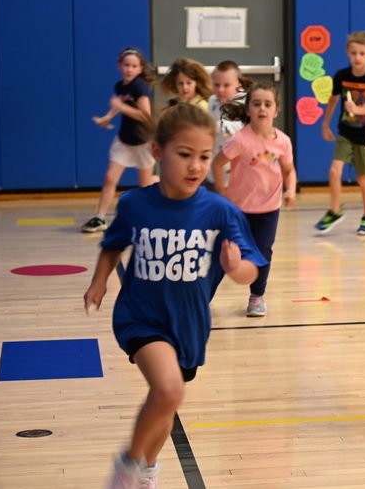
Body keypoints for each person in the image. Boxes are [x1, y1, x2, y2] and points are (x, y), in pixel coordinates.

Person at [83, 103, 266, 488]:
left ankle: (148, 469)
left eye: (203, 157)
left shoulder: (219, 211)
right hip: (141, 317)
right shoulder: (136, 204)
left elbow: (252, 265)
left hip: (188, 324)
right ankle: (129, 466)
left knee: (166, 400)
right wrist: (99, 281)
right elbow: (113, 244)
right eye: (184, 155)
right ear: (157, 152)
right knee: (168, 389)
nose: (196, 166)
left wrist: (236, 271)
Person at [211, 82, 296, 317]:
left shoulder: (283, 142)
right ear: (248, 109)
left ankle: (256, 296)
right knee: (225, 251)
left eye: (268, 104)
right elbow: (218, 163)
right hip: (239, 209)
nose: (262, 108)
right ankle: (202, 296)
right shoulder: (240, 139)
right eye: (256, 104)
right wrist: (221, 189)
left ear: (276, 110)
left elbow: (289, 170)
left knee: (262, 252)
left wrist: (291, 190)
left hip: (269, 208)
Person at [317, 31, 365, 235]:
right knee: (334, 171)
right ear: (347, 53)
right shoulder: (341, 76)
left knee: (362, 178)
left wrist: (358, 110)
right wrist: (325, 124)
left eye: (361, 53)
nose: (357, 57)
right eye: (353, 53)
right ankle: (335, 210)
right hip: (345, 133)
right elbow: (332, 100)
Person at [83, 46, 158, 233]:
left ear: (140, 69)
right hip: (124, 140)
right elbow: (119, 104)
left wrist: (121, 108)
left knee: (146, 184)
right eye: (126, 65)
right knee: (110, 177)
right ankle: (100, 218)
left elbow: (145, 115)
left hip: (143, 141)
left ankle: (158, 206)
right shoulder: (120, 86)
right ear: (119, 66)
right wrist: (107, 117)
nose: (129, 69)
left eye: (134, 66)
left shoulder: (140, 86)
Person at [206, 60, 251, 191]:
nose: (220, 89)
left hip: (239, 170)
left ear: (239, 85)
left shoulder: (245, 103)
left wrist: (207, 126)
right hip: (215, 166)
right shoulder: (212, 101)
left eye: (226, 85)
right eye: (216, 84)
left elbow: (234, 127)